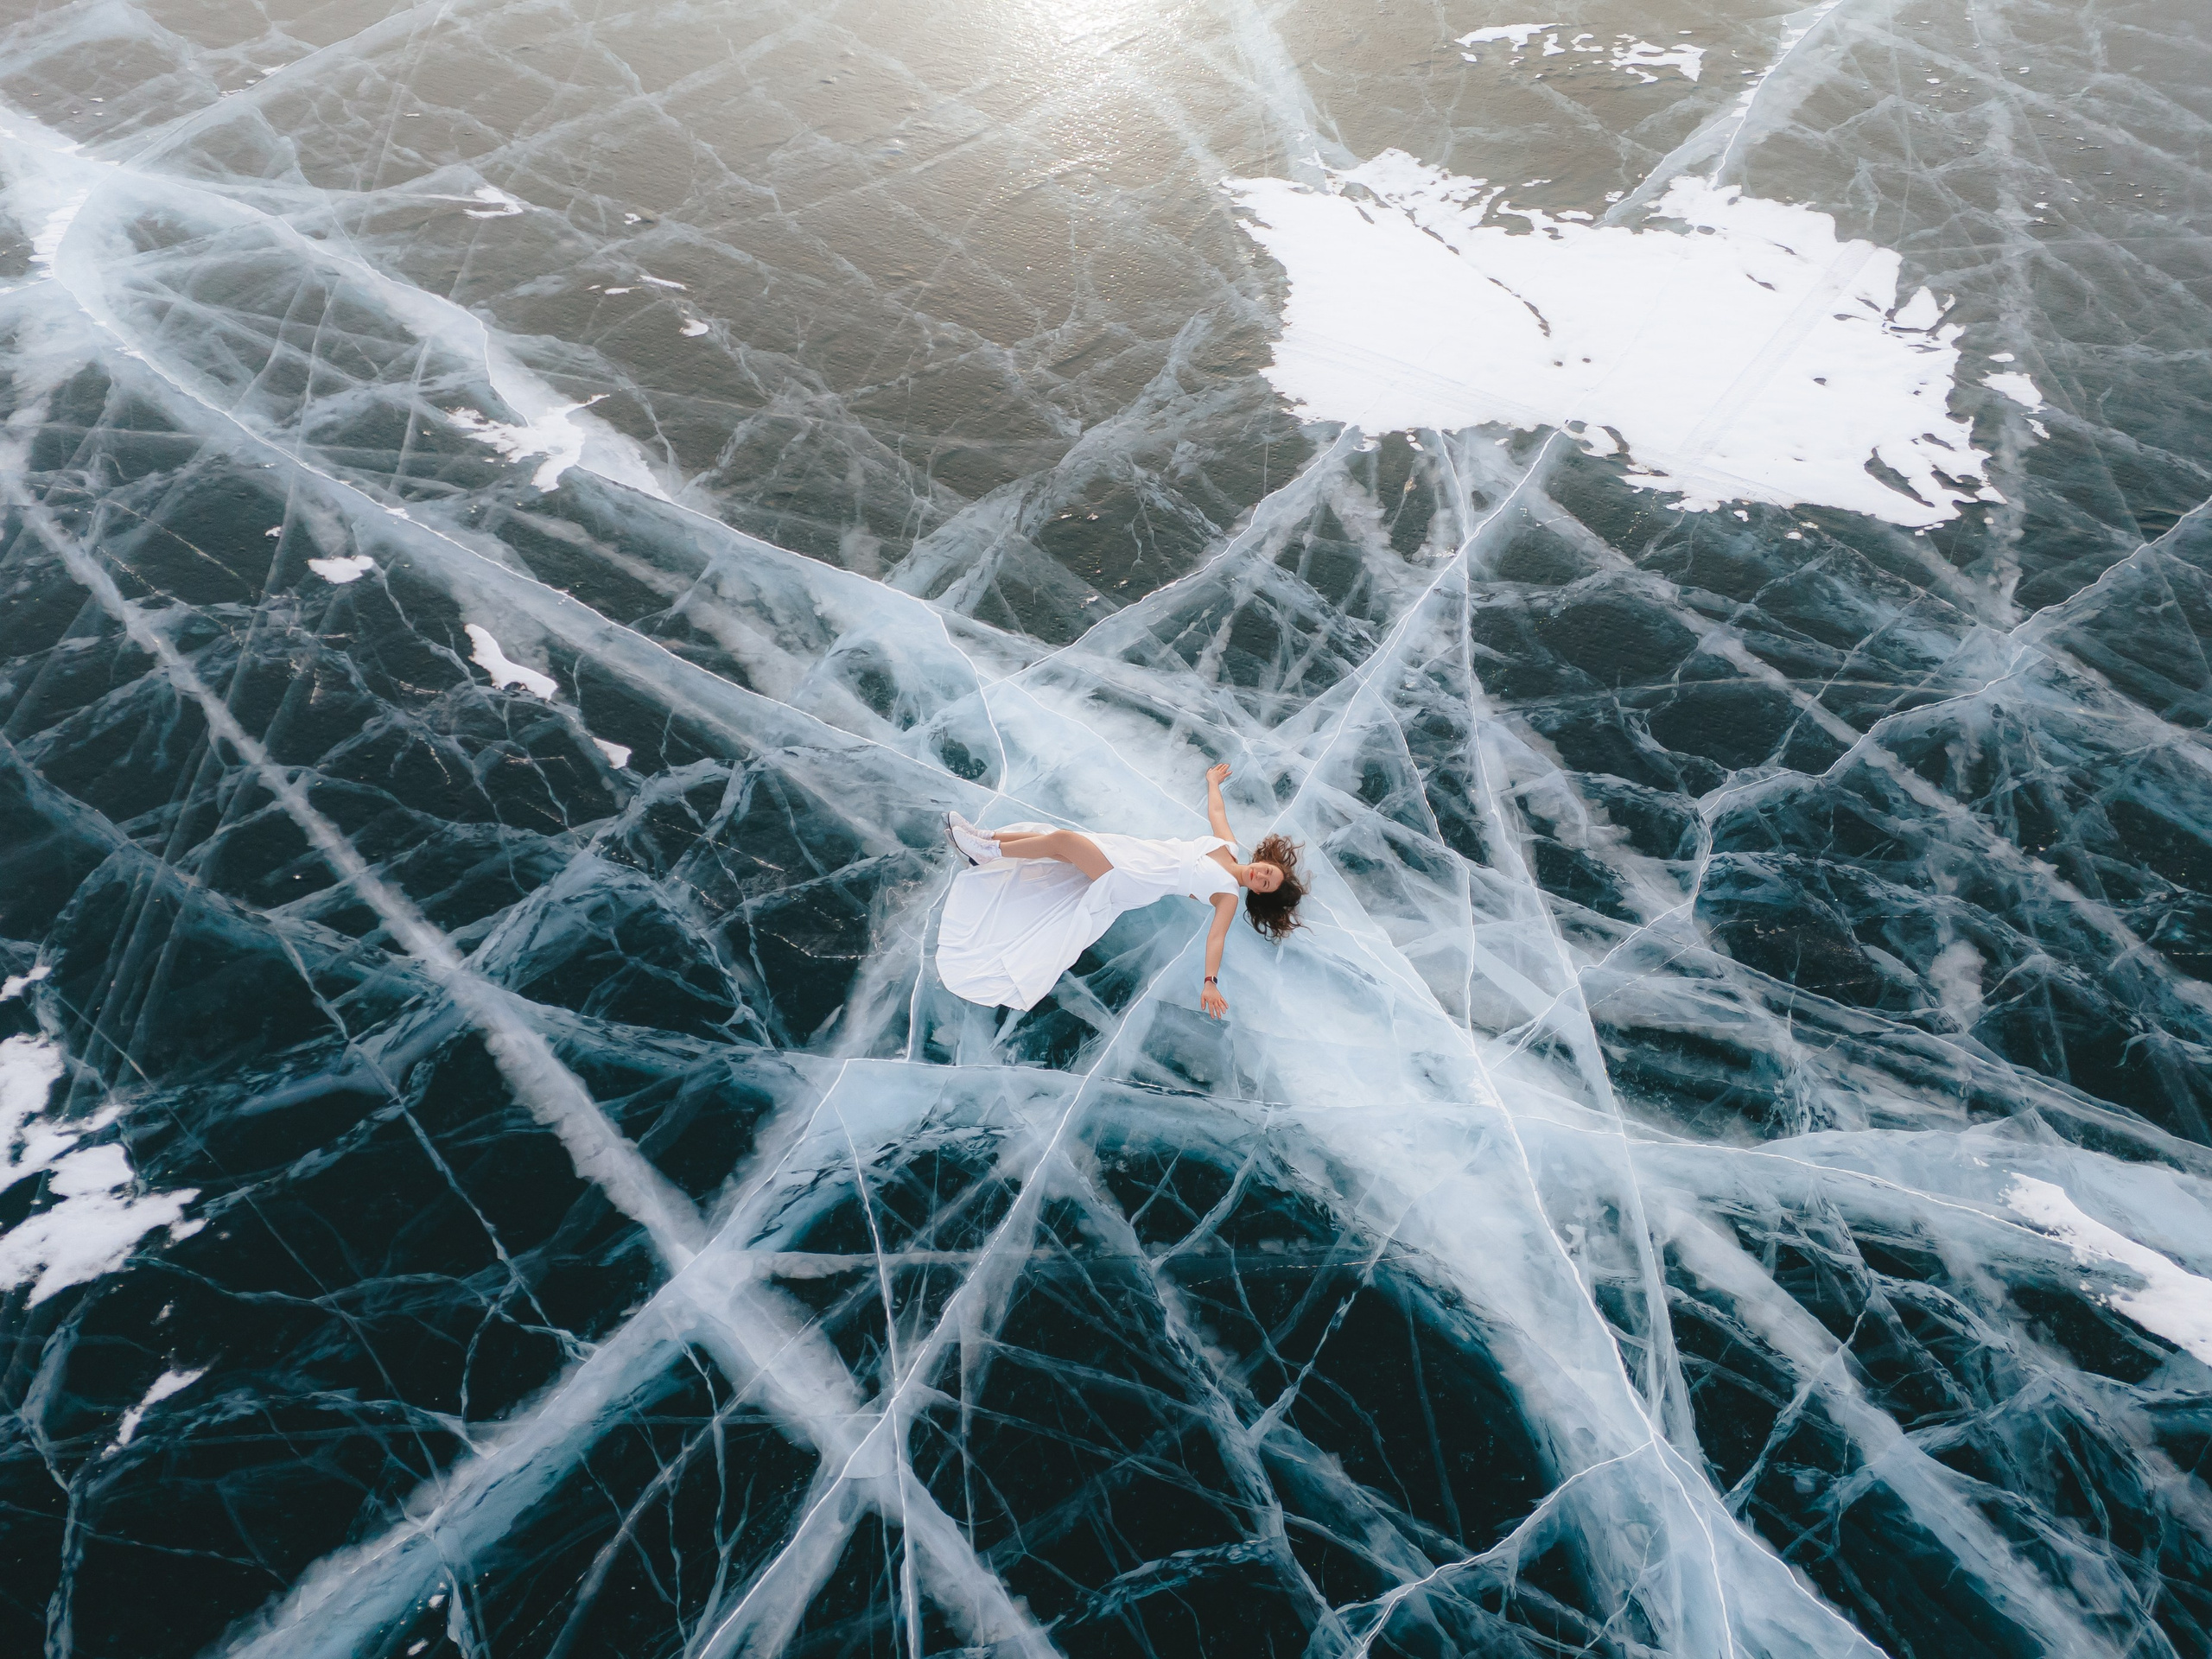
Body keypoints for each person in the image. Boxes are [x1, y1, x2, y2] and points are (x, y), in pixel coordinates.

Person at [938, 764, 1306, 1018]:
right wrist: (1212, 782)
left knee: (1064, 840)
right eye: (1268, 870)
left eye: (1265, 883)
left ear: (1259, 894)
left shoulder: (1226, 894)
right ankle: (982, 841)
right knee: (1056, 845)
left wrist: (1210, 983)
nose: (1261, 875)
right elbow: (1217, 813)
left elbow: (1215, 940)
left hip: (1134, 877)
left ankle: (985, 851)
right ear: (1266, 860)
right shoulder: (1229, 848)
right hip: (1134, 852)